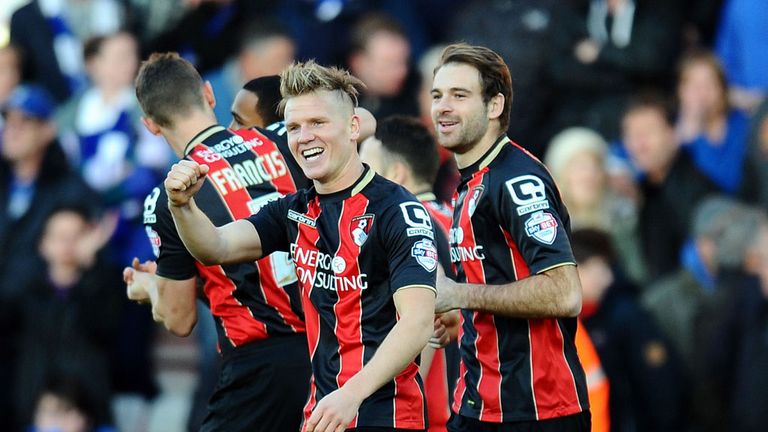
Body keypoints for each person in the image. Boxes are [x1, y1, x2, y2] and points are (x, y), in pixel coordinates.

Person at [163, 59, 437, 432]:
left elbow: (418, 322)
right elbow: (216, 246)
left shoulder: (398, 209)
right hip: (322, 413)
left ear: (353, 126)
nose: (304, 136)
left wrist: (351, 395)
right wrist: (182, 205)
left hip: (382, 414)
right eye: (293, 127)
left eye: (317, 123)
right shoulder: (294, 209)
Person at [124, 52, 311, 432]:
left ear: (151, 126)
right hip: (331, 347)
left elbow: (178, 320)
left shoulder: (169, 198)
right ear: (210, 94)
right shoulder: (281, 138)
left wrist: (151, 288)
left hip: (259, 367)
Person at [430, 43, 590, 431]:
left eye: (459, 95)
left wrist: (458, 294)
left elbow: (565, 294)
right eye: (437, 95)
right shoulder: (470, 181)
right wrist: (460, 316)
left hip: (537, 409)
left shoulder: (517, 180)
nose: (442, 107)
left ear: (495, 106)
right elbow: (495, 279)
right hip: (477, 401)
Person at [359, 115, 458, 432]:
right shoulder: (458, 222)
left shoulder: (399, 229)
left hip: (417, 416)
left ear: (397, 174)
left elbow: (425, 322)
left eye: (366, 169)